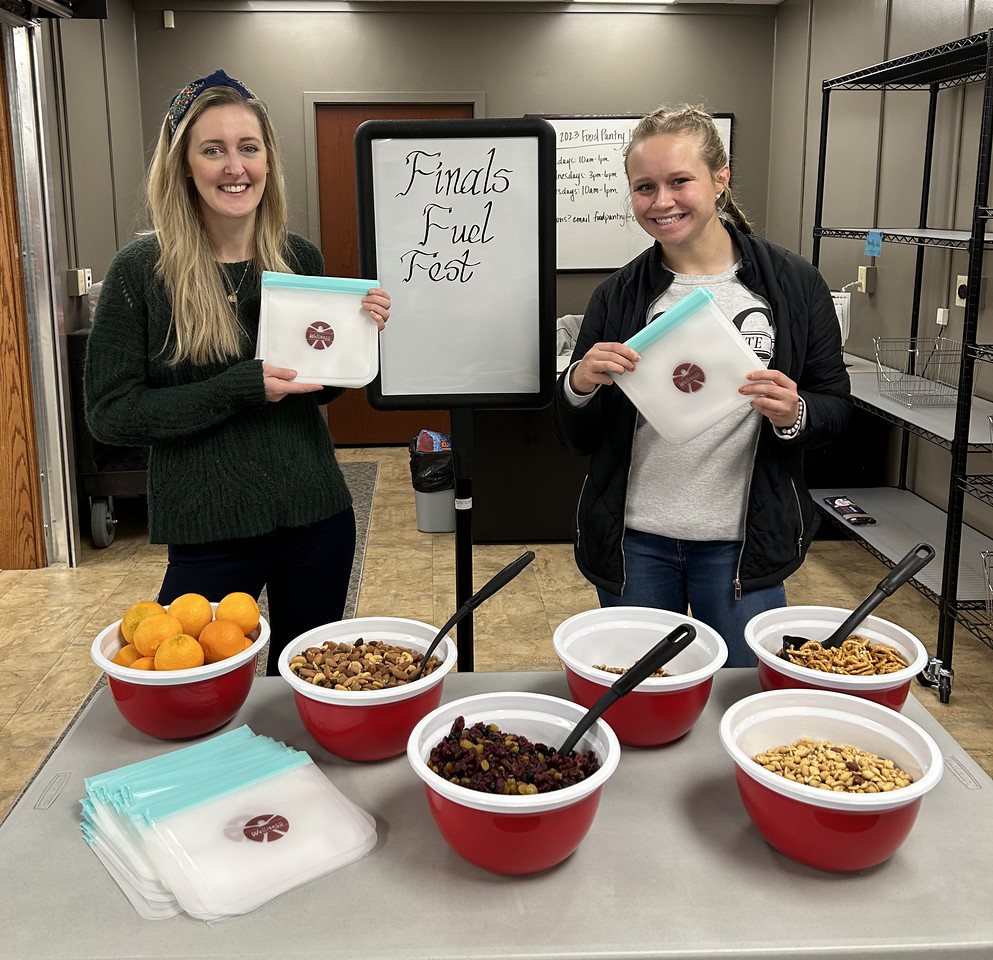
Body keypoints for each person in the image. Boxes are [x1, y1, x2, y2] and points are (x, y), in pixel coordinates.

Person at [84, 69, 391, 675]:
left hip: (317, 519)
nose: (235, 166)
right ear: (184, 165)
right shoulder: (141, 271)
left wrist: (355, 338)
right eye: (213, 149)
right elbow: (110, 414)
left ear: (269, 160)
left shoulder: (297, 257)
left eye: (249, 148)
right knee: (193, 690)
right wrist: (238, 388)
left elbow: (314, 388)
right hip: (207, 533)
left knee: (306, 687)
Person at [551, 104, 852, 667]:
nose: (661, 202)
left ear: (720, 178)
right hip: (634, 541)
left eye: (679, 181)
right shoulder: (617, 296)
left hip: (744, 542)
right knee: (640, 693)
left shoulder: (793, 284)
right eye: (644, 187)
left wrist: (796, 412)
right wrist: (580, 384)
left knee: (742, 693)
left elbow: (835, 406)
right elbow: (575, 435)